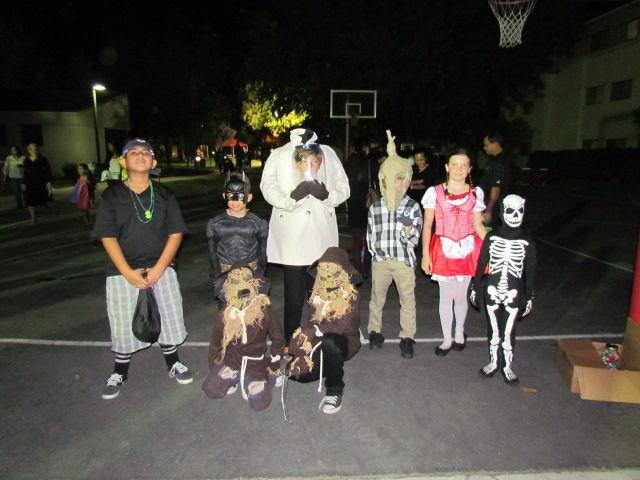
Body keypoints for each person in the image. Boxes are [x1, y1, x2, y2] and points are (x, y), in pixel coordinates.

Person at [90, 138, 192, 400]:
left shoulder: (165, 195)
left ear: (153, 162)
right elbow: (108, 236)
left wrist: (159, 268)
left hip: (161, 267)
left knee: (168, 317)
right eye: (133, 152)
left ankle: (173, 362)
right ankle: (119, 370)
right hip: (123, 271)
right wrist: (126, 271)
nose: (140, 156)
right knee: (123, 321)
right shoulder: (112, 196)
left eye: (146, 153)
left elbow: (176, 233)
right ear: (123, 161)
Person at [260, 128, 350, 343]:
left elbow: (344, 186)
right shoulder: (280, 154)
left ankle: (321, 339)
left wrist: (328, 196)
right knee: (293, 296)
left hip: (322, 235)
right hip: (293, 236)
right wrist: (290, 199)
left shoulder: (327, 152)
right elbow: (267, 186)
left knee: (322, 293)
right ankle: (290, 342)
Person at [421, 148, 487, 356]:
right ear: (447, 167)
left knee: (461, 296)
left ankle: (459, 333)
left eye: (463, 165)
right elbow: (427, 225)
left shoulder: (476, 193)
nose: (459, 169)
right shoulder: (434, 192)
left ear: (469, 169)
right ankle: (447, 339)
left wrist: (494, 250)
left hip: (467, 248)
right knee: (445, 296)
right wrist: (425, 254)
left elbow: (478, 226)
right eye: (455, 165)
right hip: (443, 249)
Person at [367, 130, 423, 359]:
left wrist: (407, 233)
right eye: (389, 178)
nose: (394, 183)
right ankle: (374, 332)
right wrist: (376, 254)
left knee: (407, 300)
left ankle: (407, 337)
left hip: (402, 261)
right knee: (376, 298)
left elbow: (414, 239)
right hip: (381, 261)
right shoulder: (376, 207)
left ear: (406, 179)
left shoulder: (411, 207)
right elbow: (371, 234)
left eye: (399, 178)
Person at [469, 194, 536, 385]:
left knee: (508, 330)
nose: (515, 215)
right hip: (492, 288)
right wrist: (475, 285)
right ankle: (493, 362)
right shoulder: (492, 237)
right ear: (502, 211)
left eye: (519, 210)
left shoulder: (527, 242)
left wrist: (529, 295)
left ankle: (507, 365)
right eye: (510, 210)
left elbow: (530, 270)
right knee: (494, 329)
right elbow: (482, 262)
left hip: (514, 291)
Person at [287, 247, 362, 414]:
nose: (326, 275)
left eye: (332, 270)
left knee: (331, 342)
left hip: (344, 341)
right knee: (298, 376)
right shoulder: (317, 294)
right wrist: (301, 342)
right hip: (320, 340)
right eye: (323, 269)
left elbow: (342, 327)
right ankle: (326, 365)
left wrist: (312, 332)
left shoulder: (351, 296)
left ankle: (335, 389)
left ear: (342, 271)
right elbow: (311, 320)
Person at [202, 266, 285, 411]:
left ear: (253, 285)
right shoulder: (225, 315)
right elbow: (216, 345)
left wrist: (274, 364)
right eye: (236, 283)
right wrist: (216, 367)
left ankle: (268, 377)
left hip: (255, 364)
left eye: (245, 283)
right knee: (211, 389)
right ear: (228, 287)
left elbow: (278, 338)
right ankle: (233, 379)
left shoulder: (263, 313)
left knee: (259, 403)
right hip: (231, 362)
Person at [206, 173, 268, 287]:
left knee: (251, 304)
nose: (235, 200)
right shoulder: (215, 224)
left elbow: (263, 253)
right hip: (225, 275)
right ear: (225, 196)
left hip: (251, 274)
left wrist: (260, 275)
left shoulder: (258, 223)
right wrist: (216, 277)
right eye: (230, 195)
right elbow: (212, 254)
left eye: (239, 196)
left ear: (248, 197)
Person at [345, 144, 372, 278]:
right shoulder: (369, 162)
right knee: (368, 239)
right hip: (368, 203)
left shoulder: (350, 163)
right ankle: (365, 269)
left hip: (354, 204)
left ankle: (357, 269)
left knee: (357, 240)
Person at [480, 132, 512, 229]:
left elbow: (496, 188)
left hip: (494, 208)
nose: (484, 148)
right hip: (493, 206)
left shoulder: (499, 163)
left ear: (496, 144)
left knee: (487, 234)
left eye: (486, 145)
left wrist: (489, 210)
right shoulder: (497, 161)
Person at [22, 143, 58, 225]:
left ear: (38, 150)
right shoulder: (27, 160)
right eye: (32, 149)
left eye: (36, 149)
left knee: (47, 201)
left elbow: (48, 172)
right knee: (30, 202)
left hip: (41, 183)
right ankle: (34, 219)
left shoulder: (43, 160)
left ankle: (56, 214)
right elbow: (25, 173)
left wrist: (48, 182)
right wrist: (24, 183)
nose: (34, 151)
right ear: (28, 151)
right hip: (30, 183)